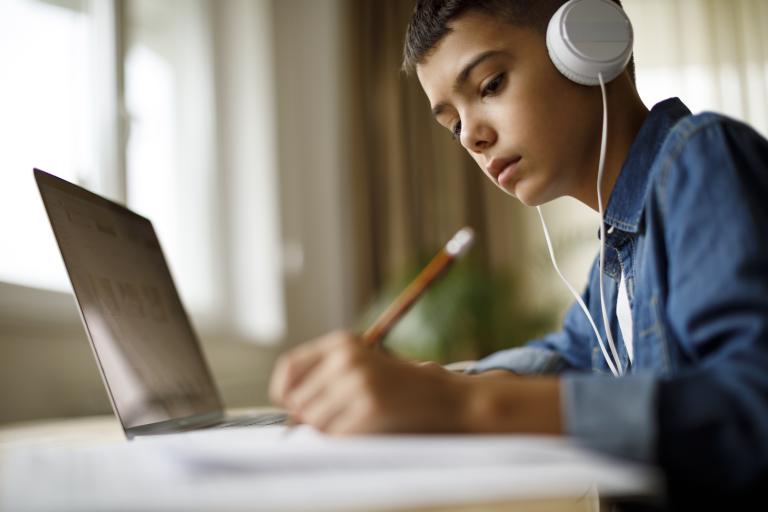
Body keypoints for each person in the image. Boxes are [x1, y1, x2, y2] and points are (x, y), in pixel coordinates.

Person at [269, 0, 768, 506]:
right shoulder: (619, 254)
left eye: (489, 86)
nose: (474, 138)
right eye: (453, 125)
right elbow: (565, 356)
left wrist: (460, 404)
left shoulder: (701, 161)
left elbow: (751, 406)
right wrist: (436, 384)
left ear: (590, 44)